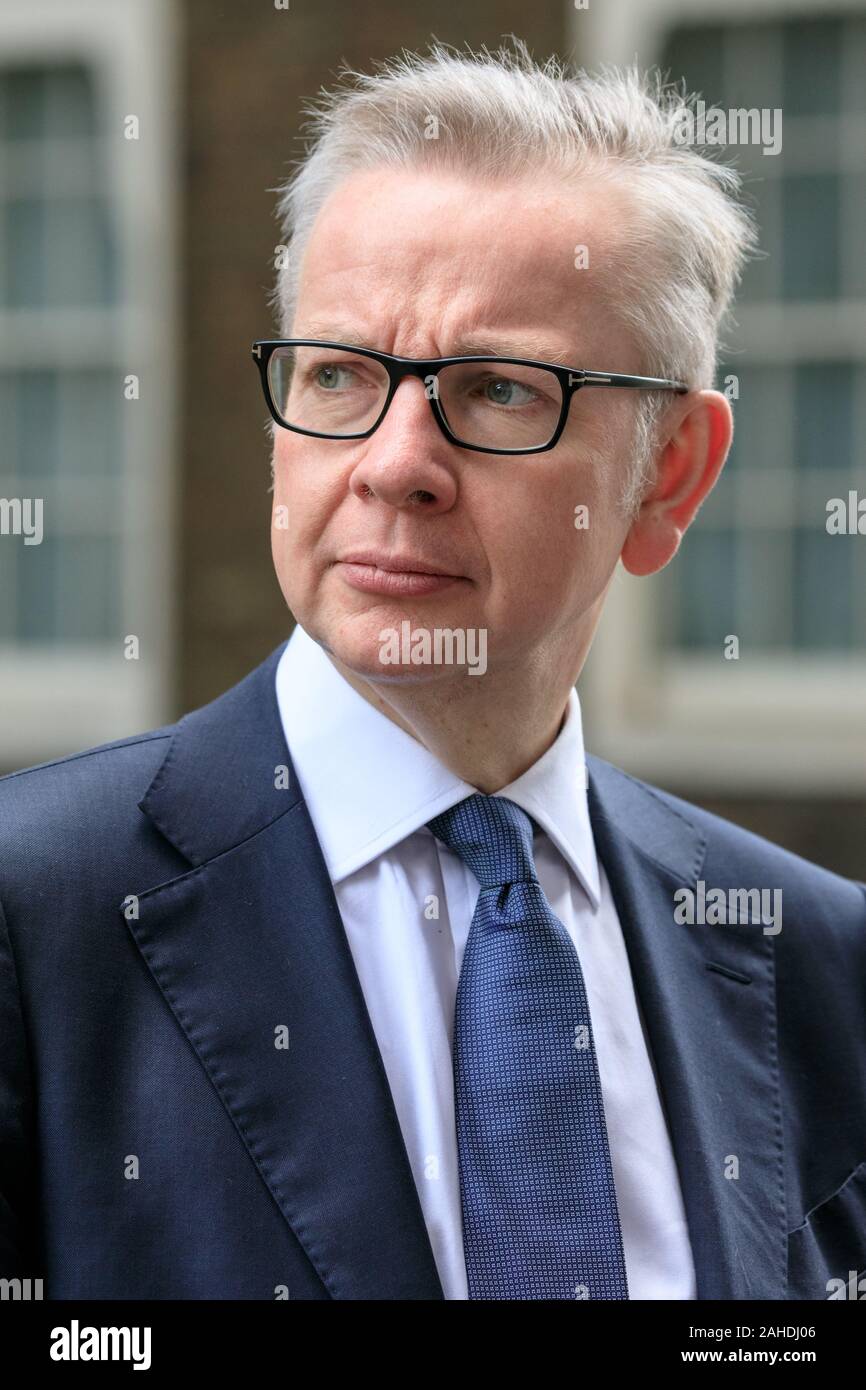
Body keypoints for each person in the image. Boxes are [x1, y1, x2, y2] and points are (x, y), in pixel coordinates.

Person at [1, 40, 864, 1302]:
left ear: (669, 471)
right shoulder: (34, 918)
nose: (393, 461)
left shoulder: (821, 964)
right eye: (341, 373)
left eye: (501, 390)